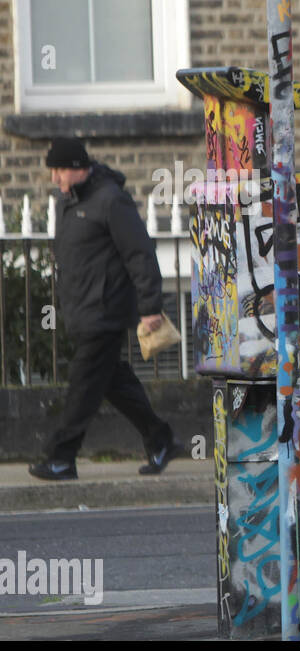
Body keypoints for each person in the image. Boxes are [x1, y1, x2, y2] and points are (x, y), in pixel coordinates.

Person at [28, 138, 182, 480]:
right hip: (80, 310)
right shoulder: (65, 203)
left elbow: (139, 253)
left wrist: (150, 307)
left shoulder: (112, 200)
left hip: (105, 311)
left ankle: (61, 458)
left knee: (82, 387)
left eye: (59, 171)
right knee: (115, 383)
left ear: (78, 168)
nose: (55, 179)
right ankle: (161, 439)